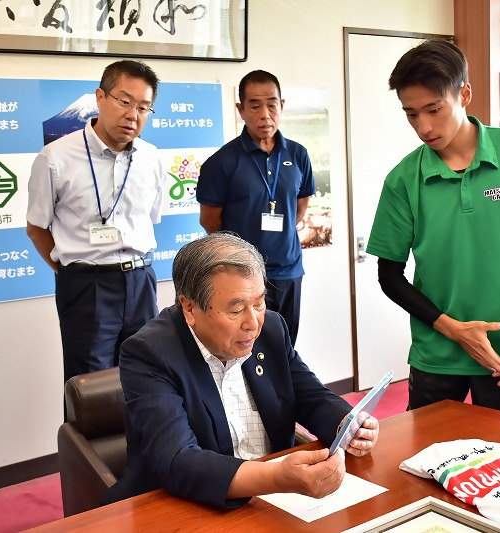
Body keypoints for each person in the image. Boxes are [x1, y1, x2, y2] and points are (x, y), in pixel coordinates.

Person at [366, 40, 500, 416]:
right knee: (425, 467)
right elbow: (389, 275)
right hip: (435, 355)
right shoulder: (402, 180)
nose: (424, 127)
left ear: (464, 94)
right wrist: (453, 330)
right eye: (411, 114)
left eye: (434, 109)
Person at [106, 232, 379, 508]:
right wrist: (277, 477)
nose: (253, 323)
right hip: (188, 505)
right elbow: (178, 460)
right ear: (189, 307)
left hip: (278, 502)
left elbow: (310, 396)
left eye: (259, 303)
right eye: (236, 311)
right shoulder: (149, 353)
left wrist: (347, 424)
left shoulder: (271, 328)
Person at [26, 60, 165, 390]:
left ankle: (144, 444)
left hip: (141, 279)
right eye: (125, 101)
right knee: (89, 386)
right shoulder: (55, 157)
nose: (133, 115)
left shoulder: (153, 158)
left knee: (146, 377)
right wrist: (72, 270)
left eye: (144, 107)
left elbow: (150, 219)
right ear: (100, 97)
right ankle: (84, 445)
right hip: (87, 285)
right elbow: (36, 228)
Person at [197, 70, 314, 346]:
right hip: (241, 277)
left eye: (272, 104)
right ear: (241, 110)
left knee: (285, 346)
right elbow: (209, 222)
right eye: (255, 105)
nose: (265, 114)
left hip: (287, 271)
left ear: (281, 106)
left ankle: (284, 391)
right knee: (245, 349)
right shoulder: (222, 162)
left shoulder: (297, 154)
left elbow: (300, 207)